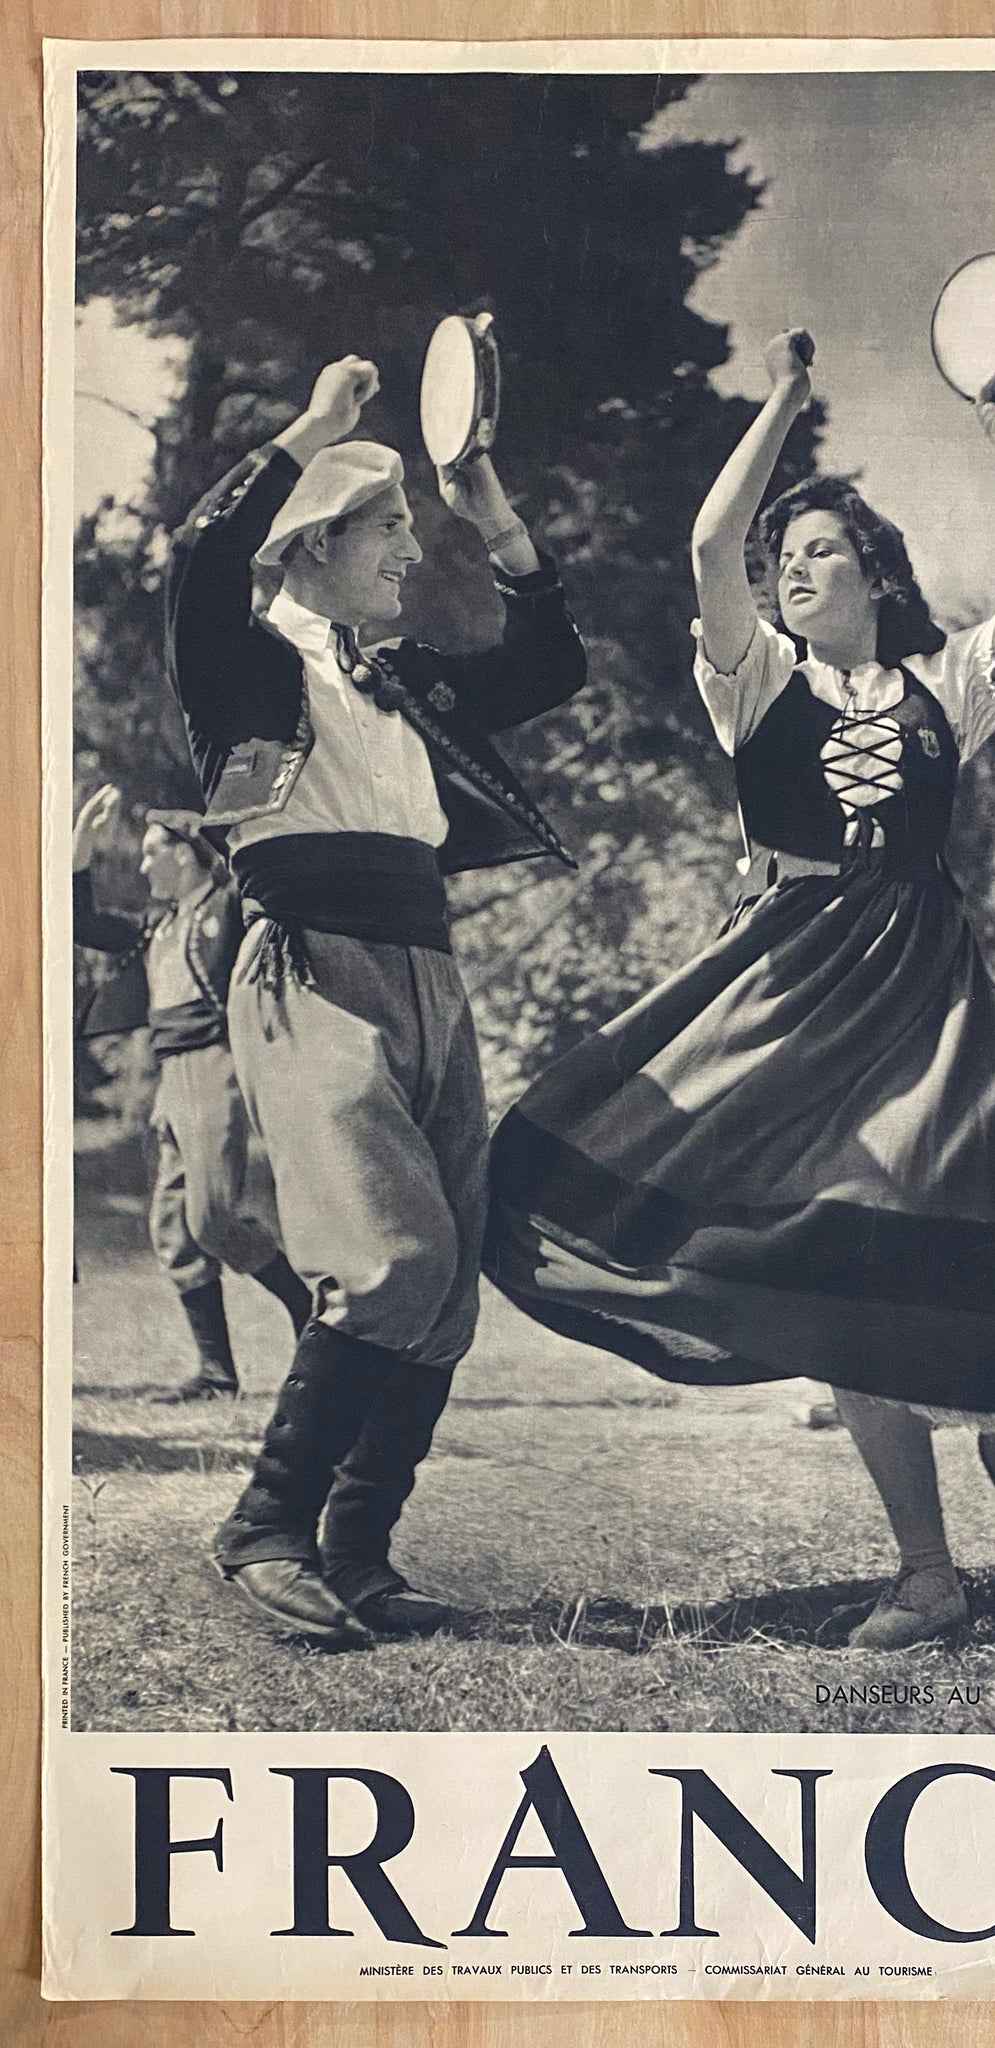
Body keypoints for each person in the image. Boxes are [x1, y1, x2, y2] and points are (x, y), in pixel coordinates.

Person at [487, 329, 995, 1650]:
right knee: (838, 1255)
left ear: (873, 571)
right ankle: (931, 1572)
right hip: (790, 986)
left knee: (946, 1227)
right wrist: (781, 403)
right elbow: (713, 548)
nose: (789, 570)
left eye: (818, 550)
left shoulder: (949, 685)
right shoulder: (754, 680)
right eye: (785, 560)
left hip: (925, 988)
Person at [166, 353, 586, 1647]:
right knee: (389, 1258)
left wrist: (486, 500)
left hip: (429, 974)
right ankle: (263, 1526)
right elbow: (196, 561)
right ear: (316, 544)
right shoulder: (243, 666)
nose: (413, 548)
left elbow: (551, 663)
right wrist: (311, 429)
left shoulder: (400, 682)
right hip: (310, 966)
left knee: (444, 1281)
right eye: (391, 526)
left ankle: (356, 1556)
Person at [72, 785, 311, 1398]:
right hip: (171, 1075)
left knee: (213, 1216)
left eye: (155, 852)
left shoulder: (228, 907)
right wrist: (82, 848)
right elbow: (83, 922)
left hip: (214, 1066)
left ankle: (309, 1313)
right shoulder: (159, 924)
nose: (144, 863)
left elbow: (263, 881)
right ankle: (215, 1374)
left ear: (186, 856)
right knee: (173, 1229)